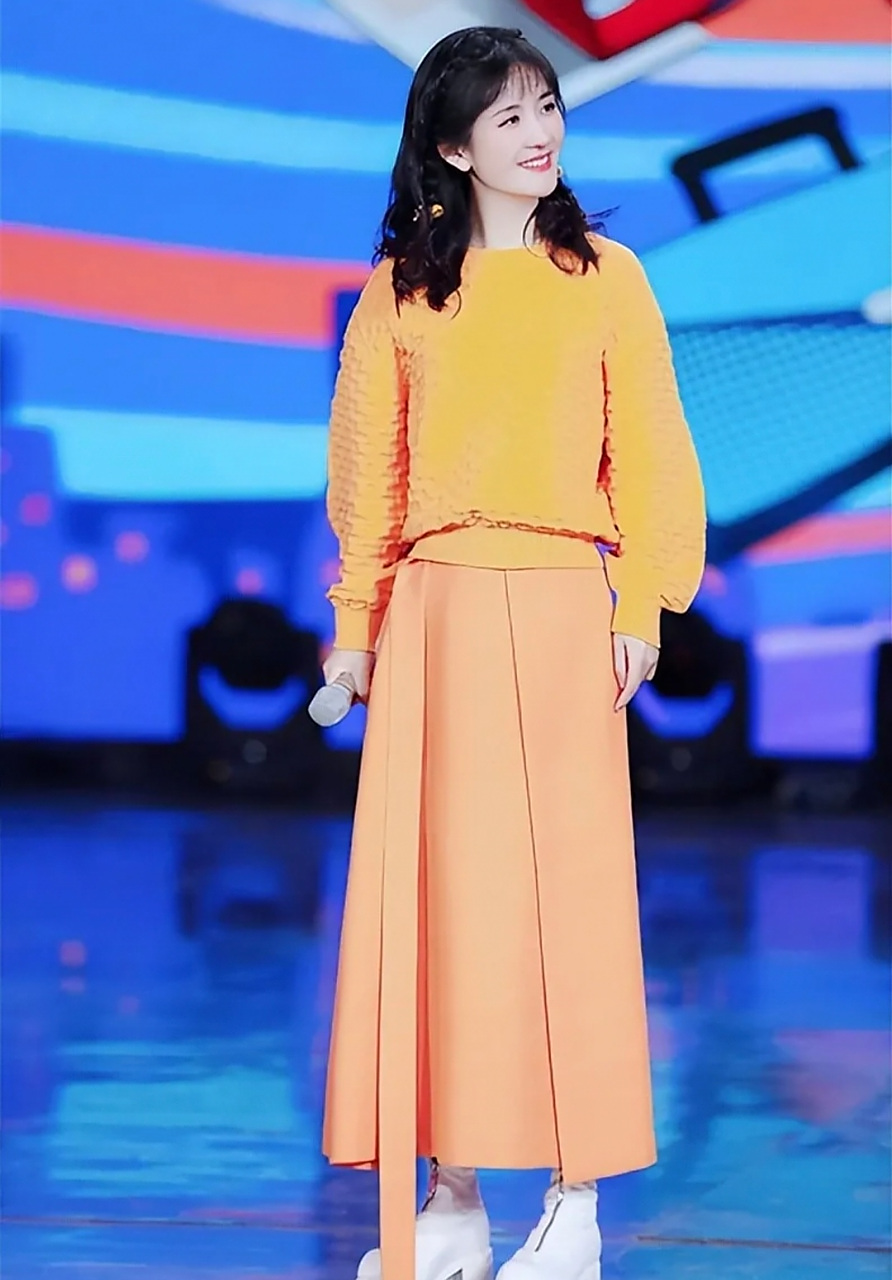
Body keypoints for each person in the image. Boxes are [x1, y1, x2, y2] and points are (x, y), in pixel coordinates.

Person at [319, 25, 706, 1280]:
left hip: (559, 608)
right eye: (509, 116)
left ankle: (576, 1202)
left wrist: (640, 605)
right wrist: (355, 630)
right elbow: (368, 480)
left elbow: (651, 450)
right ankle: (450, 1198)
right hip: (433, 614)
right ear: (450, 147)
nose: (540, 133)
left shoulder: (605, 276)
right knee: (444, 906)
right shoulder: (401, 291)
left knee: (565, 907)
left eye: (547, 106)